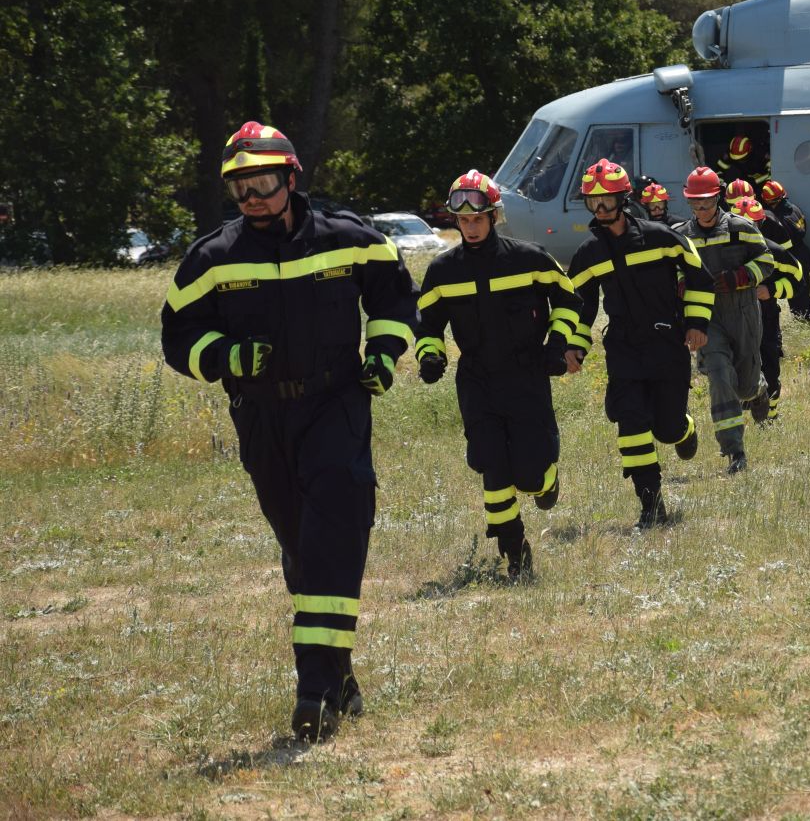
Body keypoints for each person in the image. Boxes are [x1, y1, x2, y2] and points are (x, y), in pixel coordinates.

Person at [160, 121, 419, 743]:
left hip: (337, 403)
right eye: (241, 186)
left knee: (333, 530)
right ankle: (341, 671)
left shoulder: (350, 238)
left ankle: (316, 692)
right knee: (302, 549)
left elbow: (395, 298)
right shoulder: (213, 257)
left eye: (264, 182)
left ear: (291, 178)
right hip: (261, 418)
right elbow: (177, 337)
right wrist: (223, 356)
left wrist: (384, 352)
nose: (253, 196)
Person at [413, 170, 581, 581]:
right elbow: (427, 324)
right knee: (491, 463)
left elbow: (568, 301)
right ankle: (514, 549)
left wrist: (557, 345)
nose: (470, 228)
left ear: (494, 216)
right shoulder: (442, 271)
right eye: (463, 221)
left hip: (527, 374)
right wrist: (430, 356)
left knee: (530, 472)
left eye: (477, 219)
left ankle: (546, 480)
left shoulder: (530, 257)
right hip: (477, 379)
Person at [565, 159, 715, 528]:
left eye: (606, 201)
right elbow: (579, 306)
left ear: (623, 199)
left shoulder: (660, 237)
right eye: (592, 202)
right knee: (630, 423)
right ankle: (651, 505)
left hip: (667, 345)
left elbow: (700, 277)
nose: (599, 210)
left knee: (666, 428)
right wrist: (574, 346)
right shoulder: (588, 253)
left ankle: (685, 428)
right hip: (624, 350)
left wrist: (696, 323)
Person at [680, 166, 777, 473]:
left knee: (744, 387)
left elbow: (767, 261)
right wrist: (683, 285)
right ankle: (734, 451)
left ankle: (758, 388)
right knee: (720, 377)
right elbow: (675, 271)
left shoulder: (741, 227)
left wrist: (741, 276)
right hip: (707, 319)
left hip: (743, 313)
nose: (700, 209)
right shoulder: (683, 235)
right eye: (694, 203)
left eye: (705, 202)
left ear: (718, 198)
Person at [732, 197, 803, 422]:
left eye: (753, 225)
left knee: (770, 366)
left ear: (761, 225)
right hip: (733, 320)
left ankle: (769, 418)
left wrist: (771, 290)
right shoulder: (723, 253)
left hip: (767, 319)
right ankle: (739, 413)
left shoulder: (774, 252)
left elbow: (798, 280)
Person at [762, 180, 810, 321]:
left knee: (796, 292)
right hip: (804, 252)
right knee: (805, 291)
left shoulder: (779, 219)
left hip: (793, 256)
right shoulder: (795, 208)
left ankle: (803, 321)